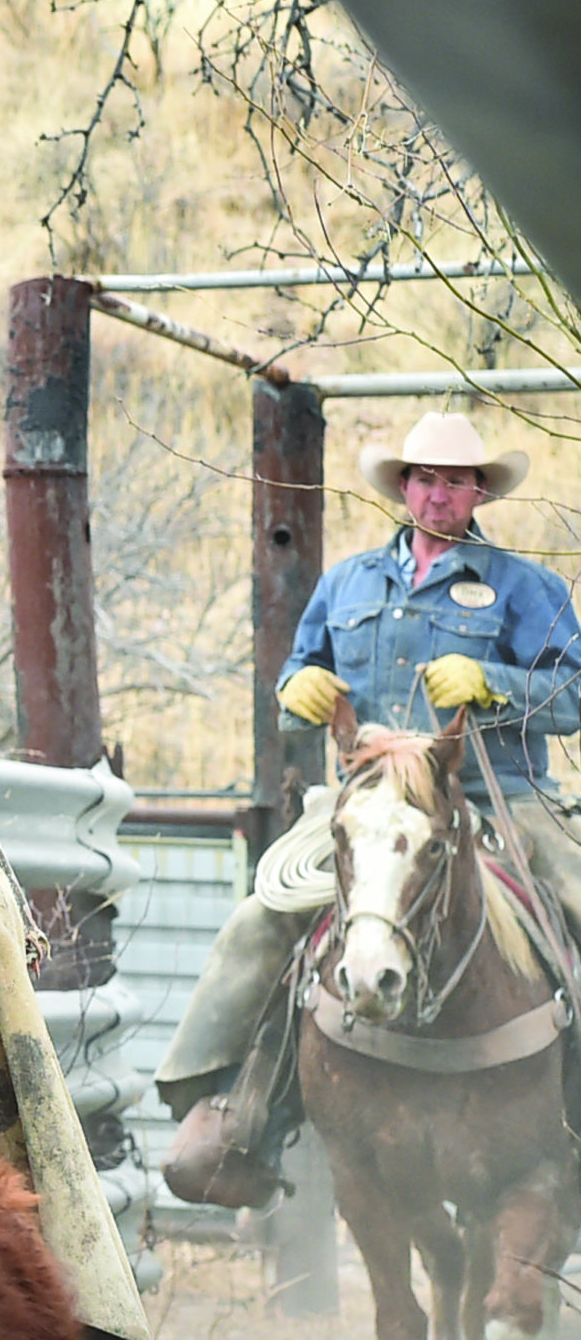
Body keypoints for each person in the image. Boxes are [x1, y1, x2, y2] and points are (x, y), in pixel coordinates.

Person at [157, 411, 581, 1194]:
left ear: (479, 489)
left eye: (455, 481)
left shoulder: (527, 587)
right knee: (262, 921)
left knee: (577, 897)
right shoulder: (349, 582)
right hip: (369, 804)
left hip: (499, 796)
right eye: (425, 478)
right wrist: (297, 689)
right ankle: (232, 1114)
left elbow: (573, 692)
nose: (438, 494)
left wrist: (496, 686)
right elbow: (298, 678)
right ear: (404, 486)